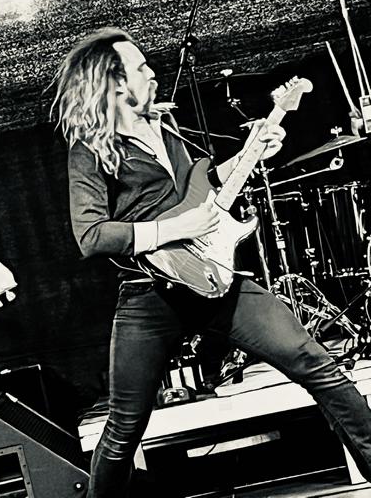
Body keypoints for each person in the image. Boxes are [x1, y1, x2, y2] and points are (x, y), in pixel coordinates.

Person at [51, 27, 371, 497]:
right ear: (115, 83)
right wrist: (173, 229)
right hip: (152, 294)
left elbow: (202, 188)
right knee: (124, 426)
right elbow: (91, 234)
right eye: (141, 67)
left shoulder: (166, 127)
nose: (152, 73)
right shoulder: (91, 151)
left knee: (315, 362)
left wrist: (251, 153)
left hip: (215, 277)